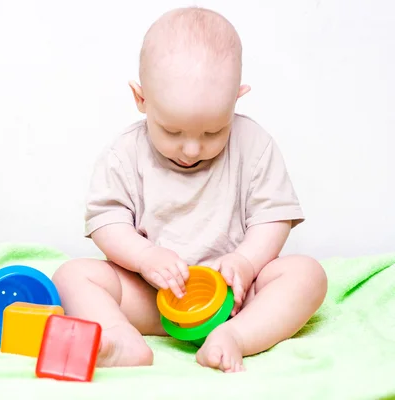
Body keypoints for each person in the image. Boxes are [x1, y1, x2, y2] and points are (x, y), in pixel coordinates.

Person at [52, 6, 327, 373]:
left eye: (214, 131)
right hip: (154, 297)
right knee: (72, 276)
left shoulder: (254, 146)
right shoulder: (124, 154)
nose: (193, 149)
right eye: (172, 131)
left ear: (237, 99)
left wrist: (245, 263)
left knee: (307, 275)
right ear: (141, 99)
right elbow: (107, 222)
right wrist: (145, 257)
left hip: (236, 299)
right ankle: (122, 338)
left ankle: (236, 337)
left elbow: (273, 218)